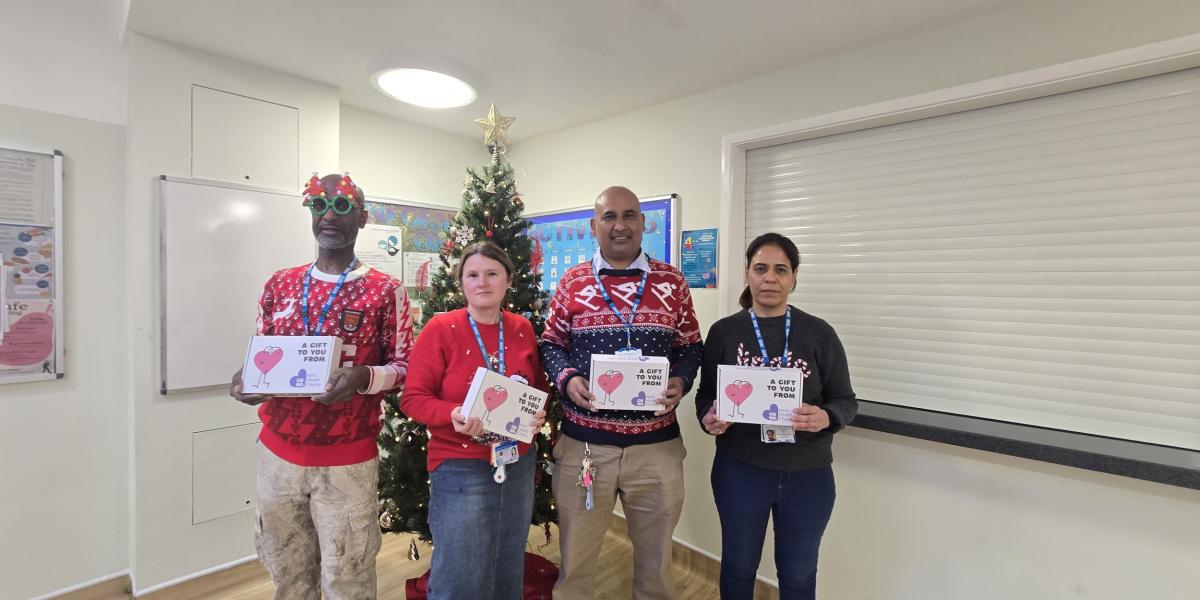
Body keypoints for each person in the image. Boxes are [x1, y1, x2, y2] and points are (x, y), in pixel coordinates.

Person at [229, 172, 413, 600]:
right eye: (319, 205)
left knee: (347, 578)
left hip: (347, 463)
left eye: (343, 206)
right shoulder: (279, 284)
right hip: (278, 459)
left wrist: (365, 377)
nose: (329, 215)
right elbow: (260, 355)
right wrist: (248, 382)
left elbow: (406, 367)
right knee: (287, 574)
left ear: (363, 218)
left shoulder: (386, 292)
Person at [541, 186, 703, 599]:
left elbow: (690, 345)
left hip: (656, 449)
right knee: (575, 564)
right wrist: (567, 379)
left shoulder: (672, 281)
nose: (620, 225)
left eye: (629, 215)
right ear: (594, 227)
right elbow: (550, 344)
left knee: (656, 567)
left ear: (642, 224)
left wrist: (681, 381)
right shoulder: (573, 281)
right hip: (585, 447)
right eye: (610, 216)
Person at [696, 232, 857, 600]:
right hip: (740, 471)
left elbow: (845, 399)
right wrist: (709, 418)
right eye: (761, 268)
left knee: (799, 577)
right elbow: (706, 397)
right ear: (747, 274)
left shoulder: (819, 334)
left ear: (794, 277)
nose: (770, 278)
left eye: (780, 270)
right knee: (737, 569)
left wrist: (826, 417)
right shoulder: (724, 332)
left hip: (808, 476)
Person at [402, 241, 550, 600]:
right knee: (460, 571)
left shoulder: (522, 329)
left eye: (491, 273)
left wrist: (538, 411)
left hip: (515, 462)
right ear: (461, 283)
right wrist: (451, 415)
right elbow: (413, 398)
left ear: (508, 280)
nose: (482, 282)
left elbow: (538, 387)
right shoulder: (441, 329)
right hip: (460, 466)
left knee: (507, 562)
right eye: (472, 274)